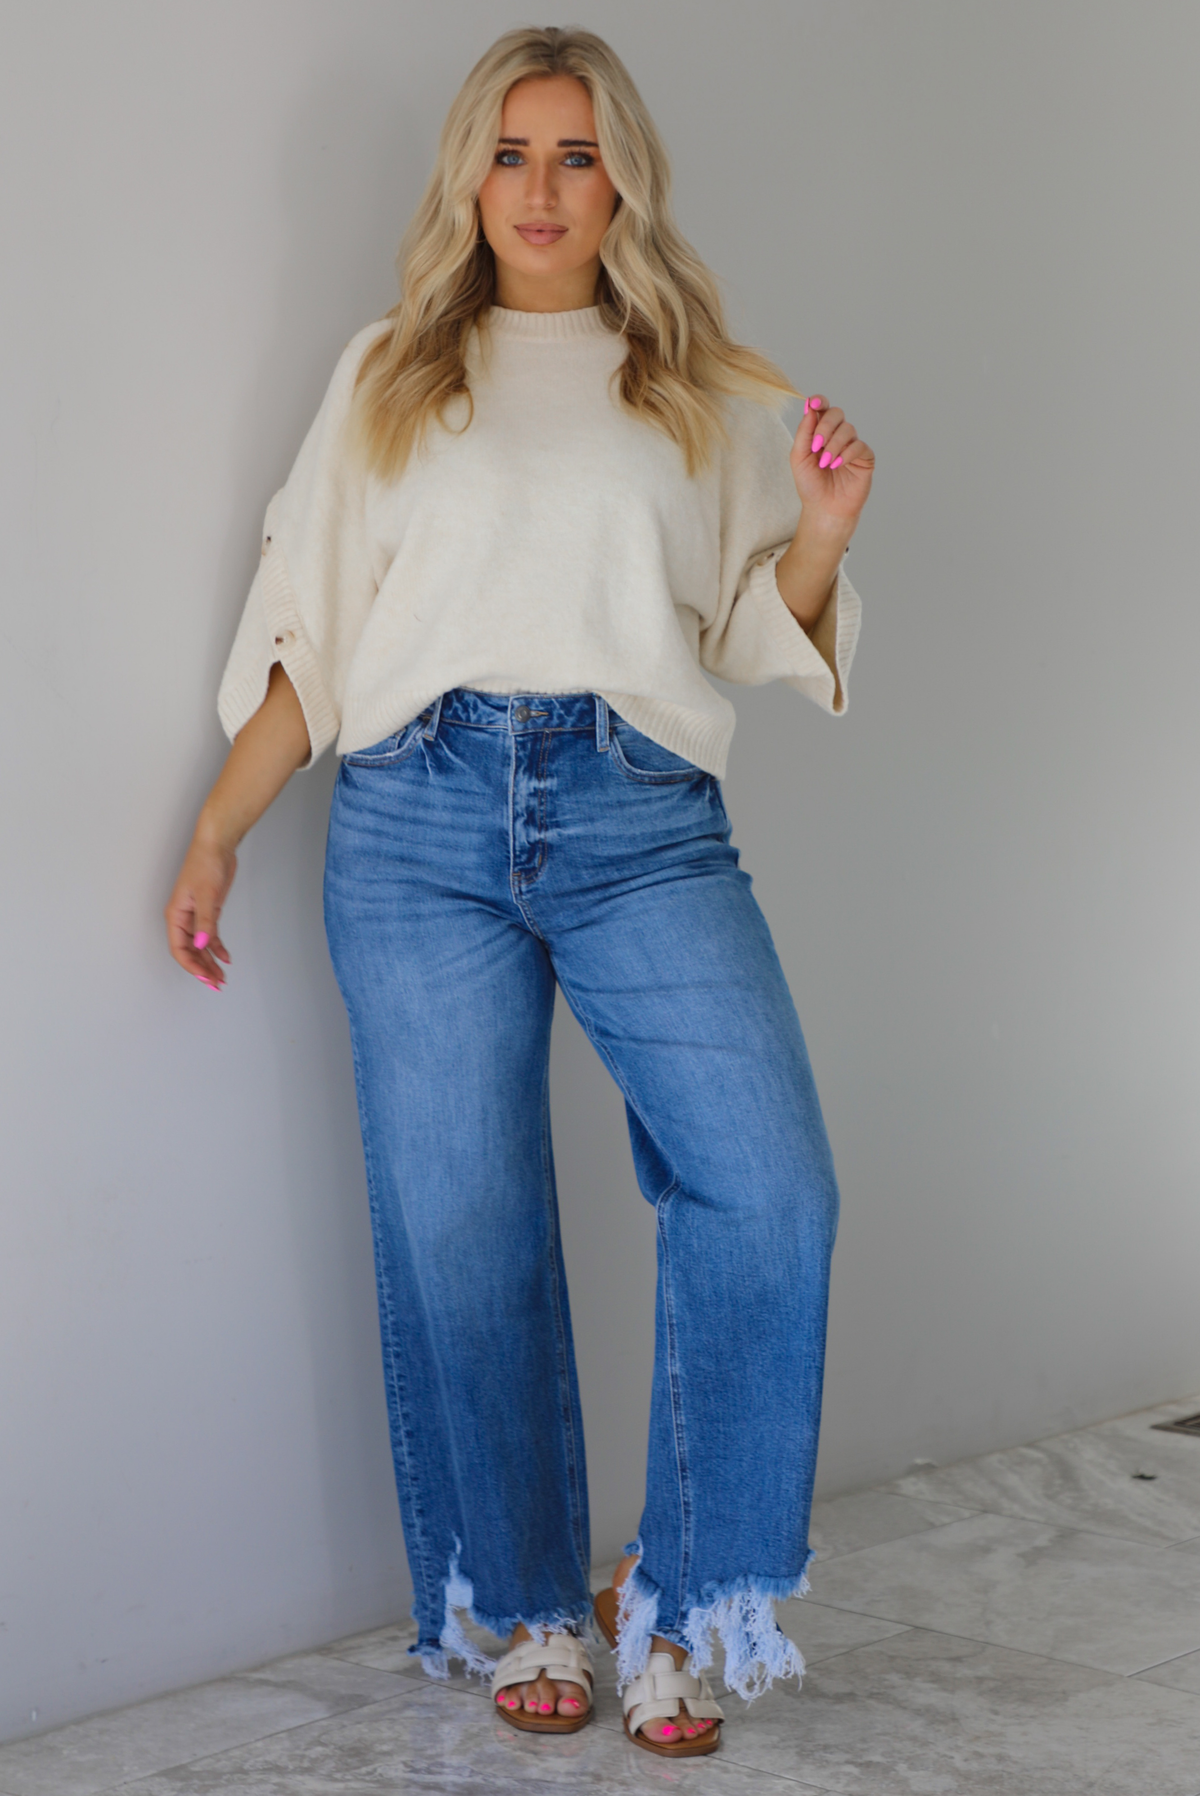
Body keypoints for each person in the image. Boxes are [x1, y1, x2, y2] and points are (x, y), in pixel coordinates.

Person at [164, 24, 873, 1761]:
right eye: (511, 153)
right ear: (467, 178)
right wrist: (216, 829)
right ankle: (538, 1604)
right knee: (464, 1231)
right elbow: (313, 640)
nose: (542, 189)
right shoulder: (392, 375)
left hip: (640, 812)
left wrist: (829, 530)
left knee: (769, 1188)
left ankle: (682, 1600)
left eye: (575, 154)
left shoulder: (696, 383)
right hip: (413, 823)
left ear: (621, 176)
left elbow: (737, 624)